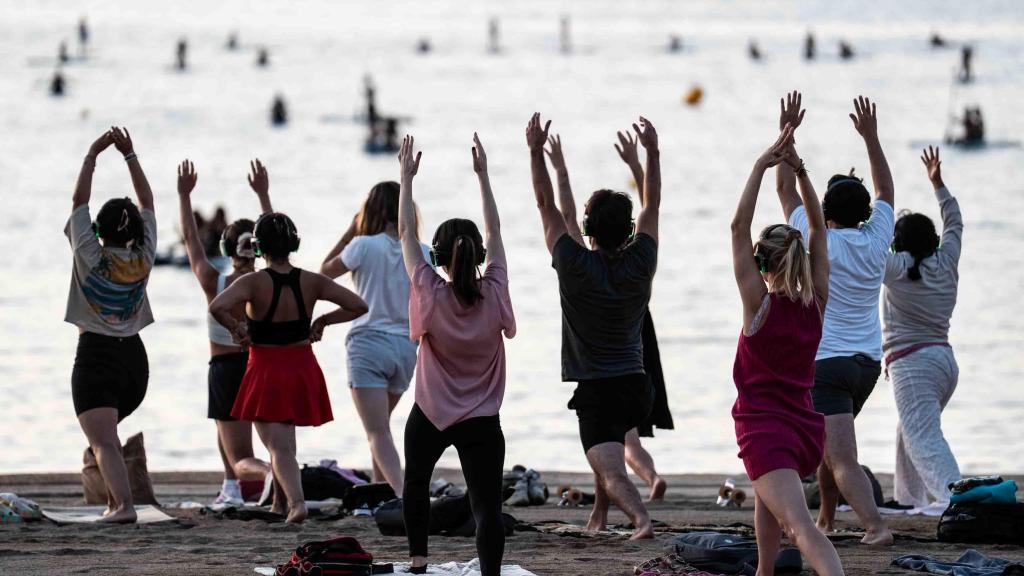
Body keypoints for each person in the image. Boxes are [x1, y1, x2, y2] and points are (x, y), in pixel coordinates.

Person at [527, 113, 660, 539]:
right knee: (610, 452)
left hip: (600, 390)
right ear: (629, 232)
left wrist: (535, 153)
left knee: (609, 468)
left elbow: (547, 206)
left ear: (587, 231)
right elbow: (651, 205)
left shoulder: (573, 265)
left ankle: (641, 520)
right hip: (639, 387)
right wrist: (652, 153)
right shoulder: (642, 260)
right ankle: (599, 517)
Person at [774, 92, 894, 545]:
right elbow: (886, 190)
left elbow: (785, 190)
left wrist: (786, 133)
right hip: (866, 363)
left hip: (828, 364)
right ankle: (825, 516)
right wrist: (871, 137)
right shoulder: (878, 236)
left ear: (825, 211)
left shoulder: (814, 235)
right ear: (865, 214)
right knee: (829, 445)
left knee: (842, 456)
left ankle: (875, 526)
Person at [397, 134, 515, 576]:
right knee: (486, 506)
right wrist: (484, 177)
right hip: (482, 418)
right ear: (480, 255)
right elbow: (496, 231)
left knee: (416, 483)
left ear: (438, 257)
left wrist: (406, 179)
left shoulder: (427, 290)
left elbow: (406, 233)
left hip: (430, 413)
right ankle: (490, 575)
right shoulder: (496, 287)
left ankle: (419, 562)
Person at [731, 123, 844, 576]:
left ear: (762, 264)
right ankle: (764, 571)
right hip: (804, 431)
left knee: (800, 526)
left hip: (767, 429)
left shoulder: (758, 305)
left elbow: (738, 225)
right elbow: (817, 226)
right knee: (768, 499)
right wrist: (800, 172)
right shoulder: (816, 301)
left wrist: (762, 165)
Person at [209, 212, 368, 523]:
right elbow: (358, 305)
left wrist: (235, 329)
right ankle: (279, 504)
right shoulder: (312, 281)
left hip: (267, 367)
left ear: (258, 248)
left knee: (279, 447)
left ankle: (296, 504)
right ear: (293, 243)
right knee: (282, 441)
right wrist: (323, 320)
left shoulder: (252, 282)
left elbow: (217, 307)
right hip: (301, 366)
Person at [65, 127, 155, 524]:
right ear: (137, 231)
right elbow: (148, 201)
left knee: (102, 441)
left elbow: (77, 200)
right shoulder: (145, 254)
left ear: (98, 232)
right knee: (108, 439)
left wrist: (92, 154)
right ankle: (117, 502)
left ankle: (122, 506)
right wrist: (130, 155)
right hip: (135, 363)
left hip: (98, 357)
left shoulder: (88, 252)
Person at [320, 181, 430, 497]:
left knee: (377, 432)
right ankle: (380, 494)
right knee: (380, 430)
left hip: (368, 343)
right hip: (407, 349)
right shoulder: (421, 251)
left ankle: (402, 495)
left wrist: (350, 231)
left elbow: (324, 273)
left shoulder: (362, 245)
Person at [178, 158, 275, 507]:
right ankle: (232, 487)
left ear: (225, 250)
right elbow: (275, 237)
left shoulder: (215, 281)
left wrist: (184, 196)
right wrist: (264, 196)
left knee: (242, 455)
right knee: (227, 431)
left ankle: (270, 473)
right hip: (259, 367)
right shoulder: (266, 282)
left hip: (225, 370)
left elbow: (190, 238)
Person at [883, 146, 963, 512]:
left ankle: (958, 501)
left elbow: (866, 250)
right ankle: (908, 499)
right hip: (944, 363)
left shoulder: (896, 268)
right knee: (910, 430)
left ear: (898, 244)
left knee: (923, 436)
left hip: (913, 366)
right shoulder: (946, 260)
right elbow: (955, 222)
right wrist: (938, 184)